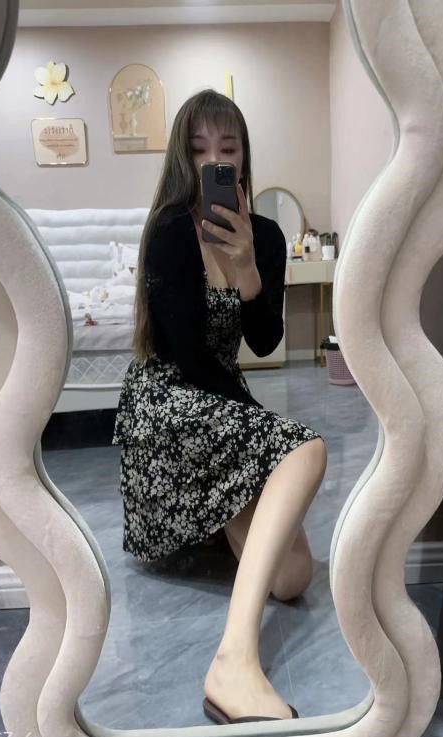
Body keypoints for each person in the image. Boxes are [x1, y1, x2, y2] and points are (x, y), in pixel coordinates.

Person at [112, 89, 327, 724]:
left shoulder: (267, 236)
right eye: (199, 148)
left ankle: (217, 522)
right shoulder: (170, 233)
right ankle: (235, 661)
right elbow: (186, 356)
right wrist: (263, 441)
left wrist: (249, 269)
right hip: (167, 404)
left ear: (243, 158)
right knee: (304, 448)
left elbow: (263, 340)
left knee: (293, 579)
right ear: (184, 159)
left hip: (218, 403)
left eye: (227, 148)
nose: (214, 160)